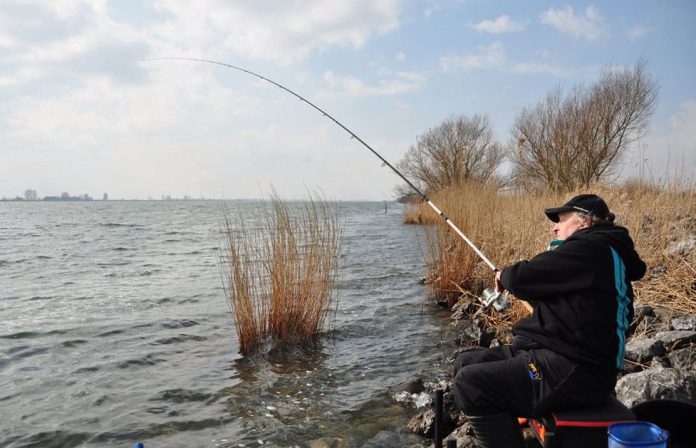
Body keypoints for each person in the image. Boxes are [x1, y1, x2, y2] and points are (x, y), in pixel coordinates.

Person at [452, 194, 646, 448]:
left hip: (577, 368)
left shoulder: (590, 248)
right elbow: (545, 285)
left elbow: (523, 278)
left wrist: (504, 275)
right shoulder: (599, 252)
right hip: (560, 354)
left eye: (561, 219)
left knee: (470, 384)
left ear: (584, 222)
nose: (554, 226)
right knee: (464, 362)